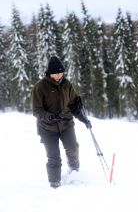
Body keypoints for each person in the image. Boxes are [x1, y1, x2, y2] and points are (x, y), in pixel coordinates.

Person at [32, 56, 92, 188]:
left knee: (73, 148)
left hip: (66, 124)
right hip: (47, 128)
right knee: (54, 157)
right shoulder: (40, 87)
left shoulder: (67, 85)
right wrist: (50, 117)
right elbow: (36, 110)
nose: (59, 75)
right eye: (56, 73)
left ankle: (74, 172)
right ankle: (55, 184)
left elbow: (74, 106)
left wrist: (84, 119)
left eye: (61, 72)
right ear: (50, 73)